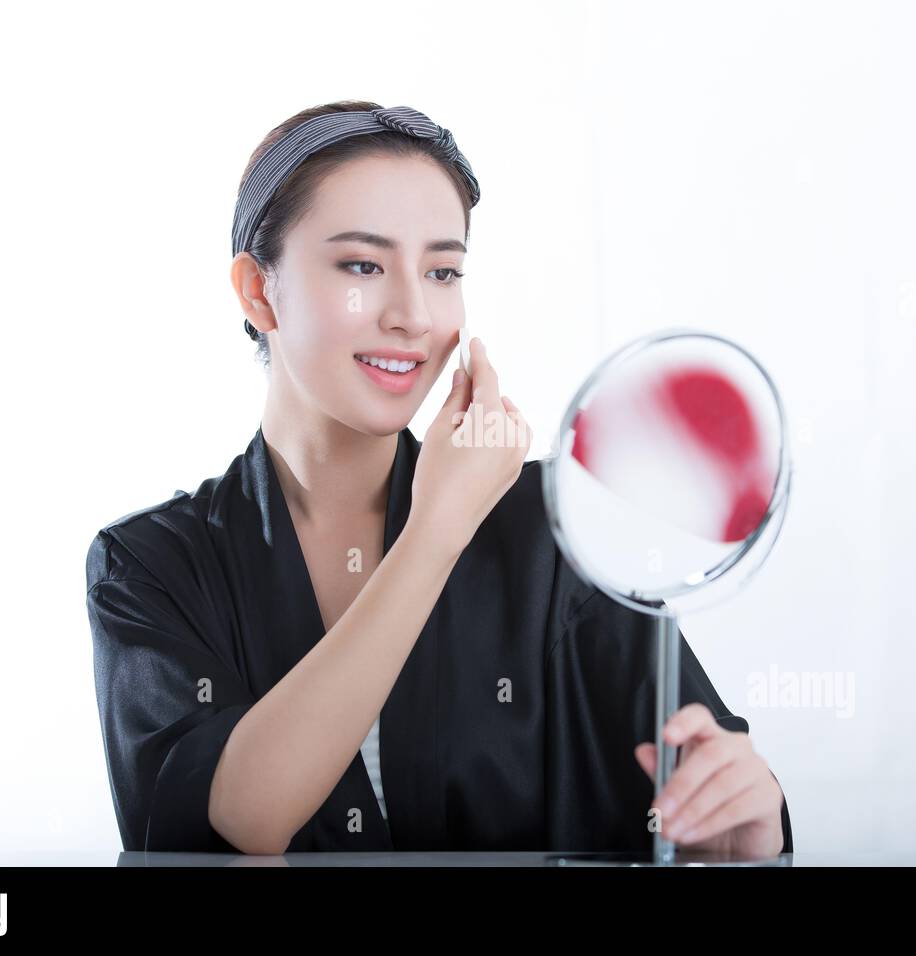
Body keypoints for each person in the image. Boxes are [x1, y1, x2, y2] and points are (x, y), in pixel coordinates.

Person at [85, 100, 793, 857]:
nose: (414, 315)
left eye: (443, 270)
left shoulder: (555, 532)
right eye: (362, 265)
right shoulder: (149, 565)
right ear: (260, 292)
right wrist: (436, 531)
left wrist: (742, 830)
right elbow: (238, 818)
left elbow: (703, 805)